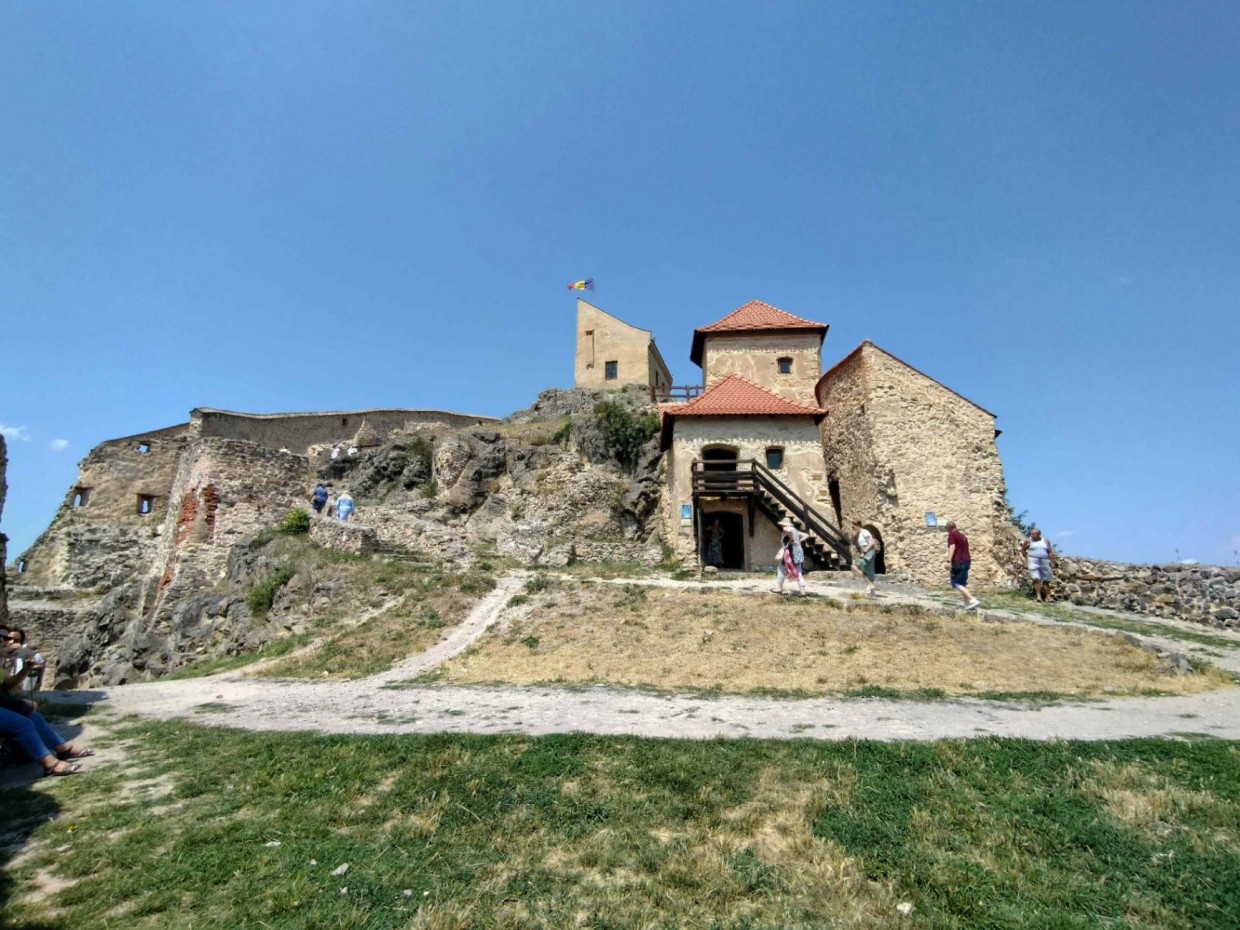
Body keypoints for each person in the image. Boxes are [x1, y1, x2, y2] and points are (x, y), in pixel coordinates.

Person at [945, 521, 981, 610]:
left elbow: (952, 547)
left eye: (946, 528)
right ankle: (967, 603)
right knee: (962, 583)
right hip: (966, 561)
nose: (946, 530)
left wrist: (948, 561)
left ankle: (972, 599)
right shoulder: (962, 536)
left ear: (949, 528)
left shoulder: (952, 535)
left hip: (958, 561)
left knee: (955, 583)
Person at [1020, 528, 1056, 602]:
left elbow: (1049, 552)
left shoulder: (1045, 541)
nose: (1031, 535)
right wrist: (1026, 558)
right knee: (1035, 579)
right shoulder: (1028, 541)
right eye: (1031, 533)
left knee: (1046, 580)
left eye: (1033, 534)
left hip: (1045, 560)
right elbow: (1023, 549)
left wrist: (1053, 562)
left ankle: (1048, 597)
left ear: (1038, 534)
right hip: (1033, 560)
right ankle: (1038, 596)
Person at [773, 518, 806, 596]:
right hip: (798, 554)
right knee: (799, 572)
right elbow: (806, 535)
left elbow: (788, 531)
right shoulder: (796, 531)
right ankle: (803, 591)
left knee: (780, 569)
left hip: (790, 553)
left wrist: (791, 538)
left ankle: (779, 588)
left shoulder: (787, 530)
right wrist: (799, 541)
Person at [849, 519, 879, 596]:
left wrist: (864, 552)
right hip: (867, 553)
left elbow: (871, 543)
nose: (853, 528)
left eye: (853, 527)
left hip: (868, 554)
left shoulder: (865, 532)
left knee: (854, 566)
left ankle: (869, 584)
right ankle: (872, 594)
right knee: (868, 572)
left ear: (858, 525)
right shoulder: (860, 533)